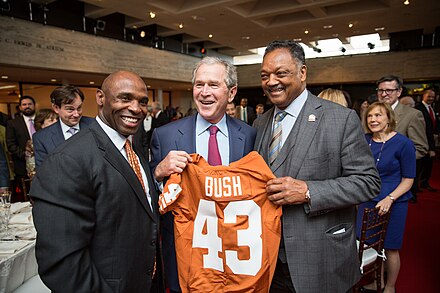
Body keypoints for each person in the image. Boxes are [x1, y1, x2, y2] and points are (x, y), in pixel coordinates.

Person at [253, 40, 380, 293]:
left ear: (302, 72)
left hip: (320, 257)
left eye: (281, 73)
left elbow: (368, 182)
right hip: (268, 259)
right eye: (265, 75)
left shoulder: (340, 119)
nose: (271, 82)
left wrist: (309, 191)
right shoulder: (259, 124)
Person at [30, 70, 162, 293]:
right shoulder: (67, 160)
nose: (136, 108)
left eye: (142, 101)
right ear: (100, 98)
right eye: (125, 98)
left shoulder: (132, 147)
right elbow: (63, 264)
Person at [150, 56, 256, 293]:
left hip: (236, 253)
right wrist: (158, 173)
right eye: (199, 84)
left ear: (231, 92)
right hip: (186, 251)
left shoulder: (249, 135)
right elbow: (145, 188)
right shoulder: (165, 135)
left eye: (213, 85)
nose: (204, 92)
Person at [357, 102, 416, 293]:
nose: (373, 120)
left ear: (388, 118)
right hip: (367, 200)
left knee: (390, 247)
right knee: (368, 244)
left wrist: (389, 198)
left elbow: (408, 179)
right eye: (370, 116)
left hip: (394, 201)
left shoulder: (403, 143)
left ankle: (390, 286)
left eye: (378, 115)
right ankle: (376, 281)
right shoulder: (364, 140)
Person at [376, 75, 428, 202]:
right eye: (380, 90)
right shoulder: (370, 112)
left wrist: (395, 162)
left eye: (389, 90)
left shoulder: (413, 115)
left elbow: (421, 148)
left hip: (396, 181)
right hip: (370, 179)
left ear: (399, 92)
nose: (384, 94)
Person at [33, 85, 94, 168]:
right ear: (56, 108)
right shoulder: (42, 138)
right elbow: (44, 173)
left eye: (79, 108)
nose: (76, 114)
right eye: (70, 109)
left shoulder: (95, 125)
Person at [6, 95, 37, 202]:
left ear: (34, 105)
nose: (27, 106)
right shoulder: (13, 123)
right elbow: (11, 145)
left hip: (44, 164)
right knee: (28, 197)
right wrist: (27, 156)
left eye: (29, 104)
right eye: (24, 104)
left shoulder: (42, 120)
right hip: (23, 166)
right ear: (20, 107)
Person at [415, 88, 438, 191]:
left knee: (428, 165)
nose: (431, 98)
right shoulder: (418, 108)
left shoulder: (432, 108)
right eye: (429, 96)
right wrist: (430, 147)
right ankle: (415, 187)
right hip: (422, 141)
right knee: (419, 166)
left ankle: (424, 183)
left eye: (433, 97)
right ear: (423, 96)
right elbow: (424, 128)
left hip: (431, 140)